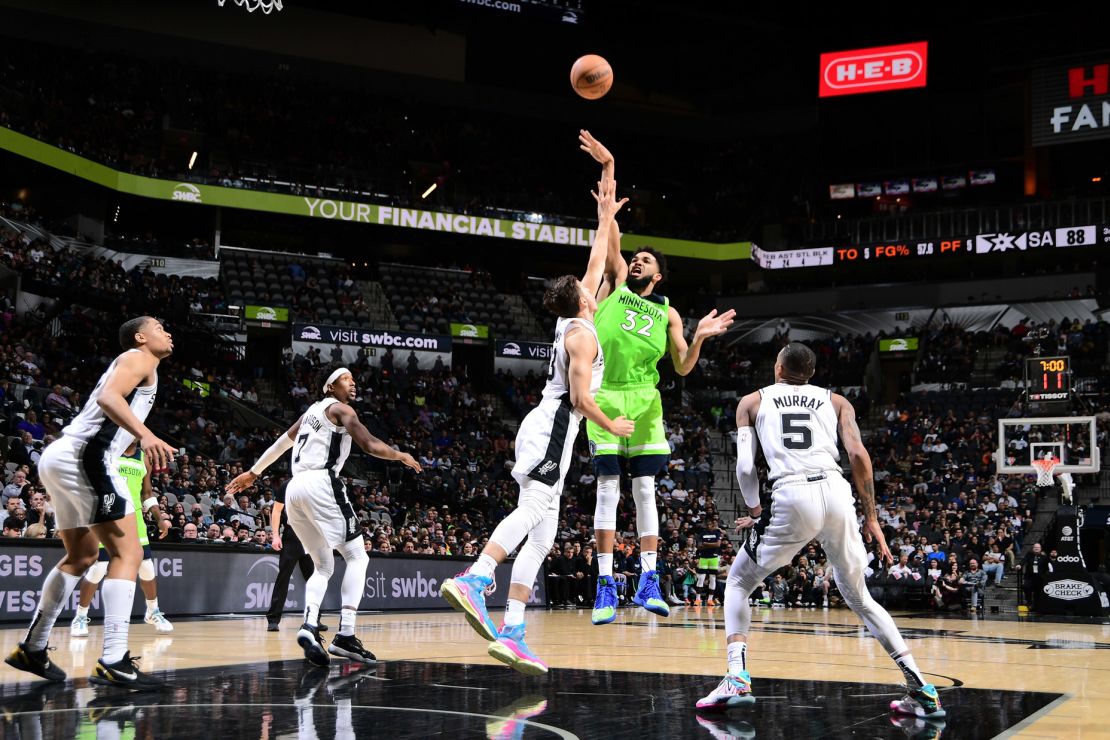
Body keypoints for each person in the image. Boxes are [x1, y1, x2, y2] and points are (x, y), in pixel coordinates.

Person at [439, 177, 634, 675]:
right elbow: (582, 398)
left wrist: (606, 216)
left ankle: (514, 629)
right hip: (553, 424)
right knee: (533, 510)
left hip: (553, 430)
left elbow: (597, 260)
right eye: (591, 287)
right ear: (586, 300)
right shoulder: (582, 340)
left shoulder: (575, 318)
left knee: (544, 538)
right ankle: (477, 577)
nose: (596, 285)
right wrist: (613, 423)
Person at [697, 342, 943, 720]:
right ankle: (922, 690)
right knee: (859, 596)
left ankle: (736, 676)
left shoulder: (751, 401)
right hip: (836, 491)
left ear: (778, 367)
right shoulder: (837, 401)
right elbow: (859, 455)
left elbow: (745, 468)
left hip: (792, 492)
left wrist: (757, 512)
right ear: (810, 374)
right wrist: (872, 517)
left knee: (738, 583)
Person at [578, 130, 735, 625]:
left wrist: (702, 335)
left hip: (645, 401)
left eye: (648, 260)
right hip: (603, 393)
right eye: (637, 257)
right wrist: (609, 175)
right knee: (607, 489)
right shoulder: (619, 283)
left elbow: (684, 366)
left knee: (644, 490)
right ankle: (604, 584)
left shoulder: (667, 314)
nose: (639, 260)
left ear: (659, 276)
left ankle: (648, 577)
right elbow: (611, 237)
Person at [6, 316, 177, 690]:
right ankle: (114, 658)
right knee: (128, 554)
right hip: (89, 455)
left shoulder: (138, 363)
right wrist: (146, 435)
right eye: (159, 327)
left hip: (60, 456)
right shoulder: (139, 357)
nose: (167, 332)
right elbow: (108, 397)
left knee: (81, 556)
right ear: (140, 336)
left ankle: (33, 648)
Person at [227, 363, 422, 666]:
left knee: (324, 565)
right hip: (320, 483)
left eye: (354, 379)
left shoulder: (309, 414)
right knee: (358, 556)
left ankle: (308, 625)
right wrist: (400, 455)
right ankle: (345, 635)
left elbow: (281, 443)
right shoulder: (340, 410)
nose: (353, 384)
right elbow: (369, 444)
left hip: (294, 489)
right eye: (346, 379)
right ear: (330, 387)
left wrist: (254, 472)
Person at [71, 441, 174, 637]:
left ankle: (153, 611)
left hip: (134, 518)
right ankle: (81, 616)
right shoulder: (108, 452)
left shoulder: (144, 458)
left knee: (147, 567)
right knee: (98, 569)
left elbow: (147, 493)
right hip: (108, 515)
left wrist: (160, 518)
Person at [263, 479, 318, 632]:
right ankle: (273, 619)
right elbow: (277, 511)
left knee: (314, 580)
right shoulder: (287, 485)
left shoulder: (316, 484)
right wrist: (275, 535)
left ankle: (314, 619)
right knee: (283, 577)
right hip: (292, 535)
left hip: (311, 536)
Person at [694, 517, 726, 606]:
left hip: (714, 558)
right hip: (703, 558)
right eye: (707, 524)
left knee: (712, 578)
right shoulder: (702, 533)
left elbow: (718, 544)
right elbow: (699, 546)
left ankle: (710, 599)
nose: (708, 526)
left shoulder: (717, 532)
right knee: (700, 578)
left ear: (713, 525)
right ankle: (698, 599)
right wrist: (712, 545)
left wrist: (705, 544)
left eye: (710, 524)